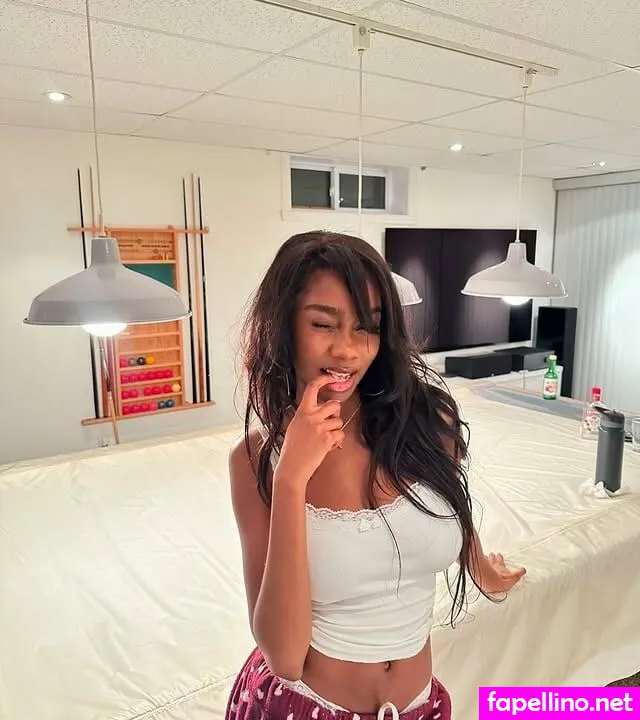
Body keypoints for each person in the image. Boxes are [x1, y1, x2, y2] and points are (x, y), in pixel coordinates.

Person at [226, 231, 526, 720]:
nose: (348, 350)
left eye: (367, 327)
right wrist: (291, 479)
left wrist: (480, 566)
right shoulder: (257, 458)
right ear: (283, 327)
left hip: (419, 707)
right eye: (324, 324)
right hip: (304, 707)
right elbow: (284, 657)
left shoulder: (429, 420)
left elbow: (446, 501)